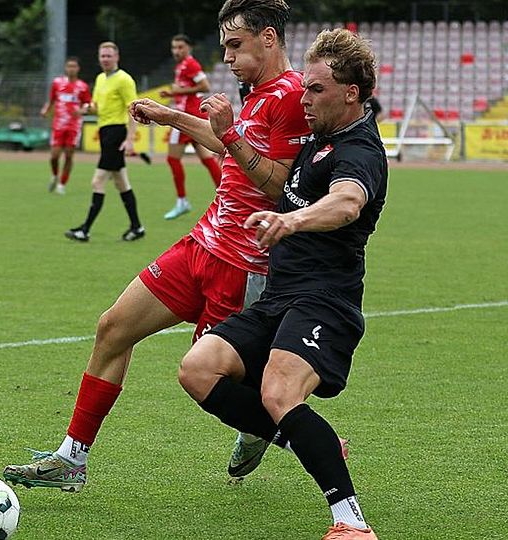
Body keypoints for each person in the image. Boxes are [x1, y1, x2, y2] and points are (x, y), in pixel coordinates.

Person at [3, 0, 309, 493]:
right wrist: (171, 116)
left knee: (213, 381)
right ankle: (72, 458)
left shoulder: (291, 96)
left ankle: (275, 431)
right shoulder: (253, 91)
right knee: (112, 327)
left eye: (235, 45)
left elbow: (282, 188)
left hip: (245, 266)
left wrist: (228, 133)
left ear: (268, 39)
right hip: (200, 246)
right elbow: (224, 142)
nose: (226, 57)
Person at [176, 28, 387, 540]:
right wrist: (192, 122)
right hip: (281, 296)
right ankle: (306, 439)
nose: (304, 97)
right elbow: (263, 168)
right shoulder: (319, 136)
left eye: (315, 89)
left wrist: (290, 221)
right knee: (198, 369)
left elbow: (347, 202)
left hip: (325, 301)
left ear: (350, 93)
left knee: (278, 389)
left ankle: (350, 522)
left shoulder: (359, 149)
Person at [65, 42, 145, 242]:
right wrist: (85, 109)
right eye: (102, 56)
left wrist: (129, 139)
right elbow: (97, 107)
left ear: (117, 57)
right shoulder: (100, 79)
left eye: (109, 56)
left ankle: (85, 229)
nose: (105, 59)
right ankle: (137, 227)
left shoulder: (124, 79)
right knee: (121, 182)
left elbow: (133, 110)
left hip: (116, 133)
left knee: (98, 181)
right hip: (104, 132)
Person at [158, 34, 223, 220]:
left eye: (180, 47)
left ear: (188, 48)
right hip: (192, 116)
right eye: (174, 47)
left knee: (172, 159)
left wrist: (178, 91)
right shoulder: (181, 66)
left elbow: (205, 85)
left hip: (184, 120)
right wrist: (172, 93)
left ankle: (182, 201)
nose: (176, 51)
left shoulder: (190, 64)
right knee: (207, 159)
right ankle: (226, 196)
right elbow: (187, 90)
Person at [41, 57, 91, 195]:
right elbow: (51, 100)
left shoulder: (83, 86)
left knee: (69, 156)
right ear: (65, 68)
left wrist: (81, 110)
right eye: (69, 66)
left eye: (74, 66)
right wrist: (45, 110)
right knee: (54, 156)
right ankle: (55, 175)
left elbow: (88, 104)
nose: (71, 69)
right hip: (58, 124)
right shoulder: (57, 83)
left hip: (74, 126)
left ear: (78, 68)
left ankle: (62, 184)